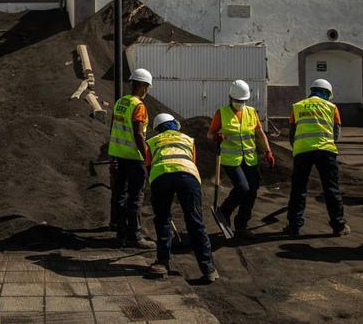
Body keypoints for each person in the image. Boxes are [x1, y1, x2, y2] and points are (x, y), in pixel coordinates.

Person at [146, 113, 218, 283]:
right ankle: (208, 269)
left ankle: (162, 263)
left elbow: (149, 167)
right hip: (188, 176)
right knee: (195, 221)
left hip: (161, 176)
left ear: (157, 129)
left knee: (162, 219)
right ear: (174, 124)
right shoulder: (188, 139)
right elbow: (191, 161)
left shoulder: (152, 142)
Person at [206, 80, 276, 239]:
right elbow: (210, 134)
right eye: (237, 100)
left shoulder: (251, 112)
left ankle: (241, 226)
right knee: (243, 188)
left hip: (250, 158)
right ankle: (224, 211)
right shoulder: (221, 113)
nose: (240, 103)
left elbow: (260, 133)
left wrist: (268, 151)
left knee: (252, 191)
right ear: (231, 98)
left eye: (243, 100)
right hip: (231, 159)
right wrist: (216, 136)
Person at [286, 79, 351, 236]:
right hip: (325, 151)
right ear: (327, 93)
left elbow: (292, 133)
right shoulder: (332, 107)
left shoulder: (297, 106)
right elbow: (336, 134)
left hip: (302, 151)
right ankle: (339, 226)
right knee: (331, 189)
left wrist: (298, 148)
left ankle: (294, 226)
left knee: (298, 189)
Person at [108, 68, 156, 248]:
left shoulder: (121, 102)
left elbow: (113, 127)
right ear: (143, 86)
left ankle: (121, 232)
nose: (147, 90)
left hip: (119, 155)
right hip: (134, 158)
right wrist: (147, 157)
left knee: (120, 194)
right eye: (147, 87)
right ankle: (134, 236)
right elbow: (138, 134)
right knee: (135, 196)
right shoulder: (139, 106)